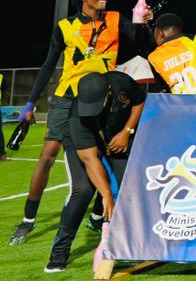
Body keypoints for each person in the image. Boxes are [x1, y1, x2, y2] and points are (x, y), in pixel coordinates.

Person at [10, 0, 152, 246]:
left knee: (106, 154)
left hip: (101, 98)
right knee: (48, 154)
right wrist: (30, 103)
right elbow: (49, 64)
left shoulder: (115, 19)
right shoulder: (65, 26)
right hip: (67, 97)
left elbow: (140, 43)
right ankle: (28, 219)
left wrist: (143, 24)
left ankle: (98, 216)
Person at [43, 71, 144, 273]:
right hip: (84, 145)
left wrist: (127, 131)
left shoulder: (121, 82)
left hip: (118, 135)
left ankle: (126, 245)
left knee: (128, 188)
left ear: (109, 92)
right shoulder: (77, 116)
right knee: (83, 190)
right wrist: (106, 194)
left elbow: (139, 102)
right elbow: (89, 159)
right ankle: (59, 252)